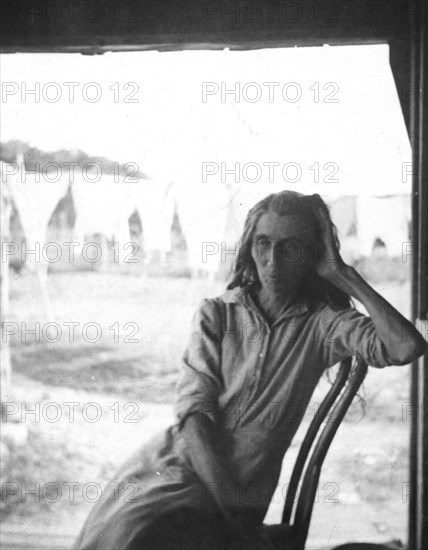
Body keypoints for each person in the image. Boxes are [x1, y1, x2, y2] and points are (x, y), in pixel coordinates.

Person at [73, 191, 426, 550]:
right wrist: (230, 504)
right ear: (250, 247)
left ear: (313, 254)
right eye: (263, 244)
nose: (272, 262)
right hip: (178, 469)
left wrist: (343, 275)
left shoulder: (323, 325)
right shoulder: (217, 314)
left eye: (290, 248)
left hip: (241, 493)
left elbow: (406, 347)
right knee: (129, 534)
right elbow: (194, 416)